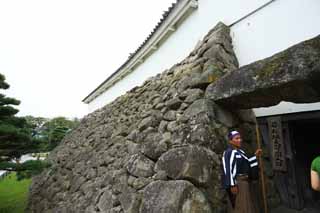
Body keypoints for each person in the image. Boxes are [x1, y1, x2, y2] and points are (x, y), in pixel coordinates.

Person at [221, 130, 262, 213]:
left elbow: (246, 163)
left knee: (246, 205)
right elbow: (227, 168)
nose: (240, 140)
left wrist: (255, 156)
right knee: (239, 206)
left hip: (245, 182)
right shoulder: (229, 152)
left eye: (240, 138)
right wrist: (232, 185)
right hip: (238, 183)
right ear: (230, 141)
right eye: (237, 138)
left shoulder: (241, 152)